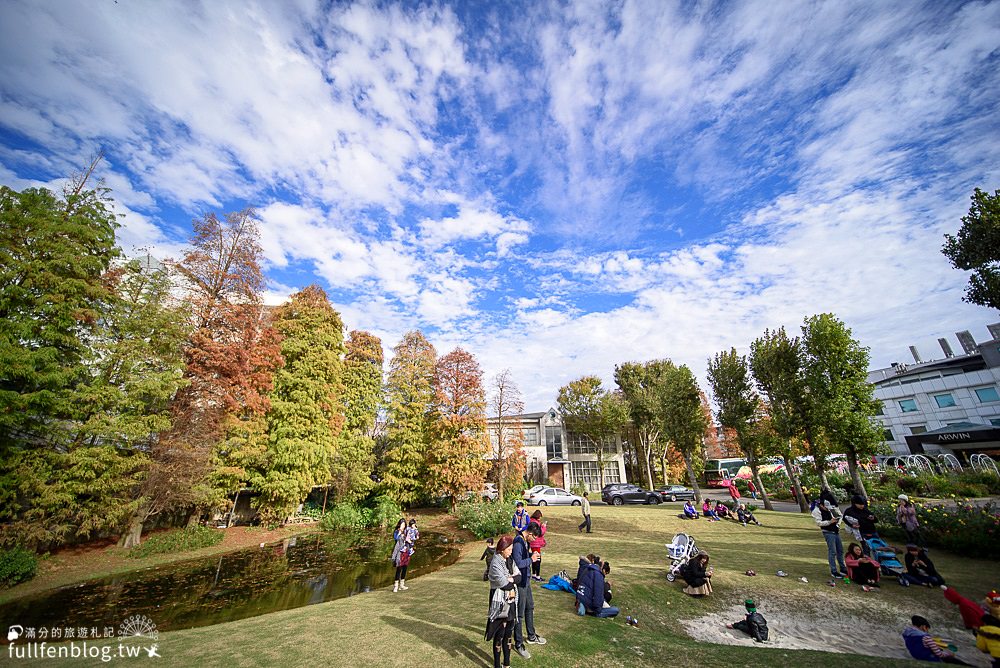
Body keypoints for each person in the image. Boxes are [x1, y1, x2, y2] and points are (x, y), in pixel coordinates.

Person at [485, 535, 519, 668]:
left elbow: (520, 577)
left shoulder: (510, 560)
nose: (511, 552)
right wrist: (512, 579)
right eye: (509, 549)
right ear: (502, 549)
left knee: (509, 633)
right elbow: (504, 584)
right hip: (499, 602)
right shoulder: (495, 563)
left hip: (511, 601)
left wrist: (511, 579)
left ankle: (507, 664)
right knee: (499, 634)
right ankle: (497, 665)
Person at [512, 523, 546, 656]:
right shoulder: (518, 543)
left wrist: (531, 554)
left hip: (526, 581)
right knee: (519, 613)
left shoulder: (525, 542)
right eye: (534, 538)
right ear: (530, 533)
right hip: (520, 583)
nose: (534, 541)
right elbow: (518, 563)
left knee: (530, 607)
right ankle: (519, 643)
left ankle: (531, 636)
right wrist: (531, 559)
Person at [903, 615, 973, 665]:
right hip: (930, 659)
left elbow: (919, 645)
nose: (927, 631)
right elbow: (940, 654)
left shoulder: (906, 635)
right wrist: (949, 654)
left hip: (917, 656)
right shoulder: (926, 637)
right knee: (951, 659)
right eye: (927, 629)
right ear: (923, 627)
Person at [812, 499, 848, 579]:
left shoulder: (831, 508)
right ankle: (834, 571)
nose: (828, 509)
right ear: (821, 505)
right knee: (832, 551)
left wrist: (838, 523)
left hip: (835, 531)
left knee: (840, 550)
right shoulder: (816, 511)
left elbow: (840, 515)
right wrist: (829, 522)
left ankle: (843, 569)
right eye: (826, 507)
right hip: (828, 532)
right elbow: (819, 523)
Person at [391, 518, 410, 592]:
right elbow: (396, 539)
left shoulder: (406, 531)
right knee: (399, 568)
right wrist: (399, 532)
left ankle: (402, 584)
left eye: (404, 524)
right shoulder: (396, 531)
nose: (403, 526)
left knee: (405, 568)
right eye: (402, 524)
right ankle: (396, 586)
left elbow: (410, 539)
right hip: (399, 552)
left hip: (405, 551)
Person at [528, 510, 547, 581]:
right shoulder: (535, 523)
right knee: (538, 559)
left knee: (534, 558)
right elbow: (541, 532)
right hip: (536, 544)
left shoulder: (531, 521)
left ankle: (534, 574)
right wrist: (544, 526)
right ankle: (538, 576)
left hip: (533, 544)